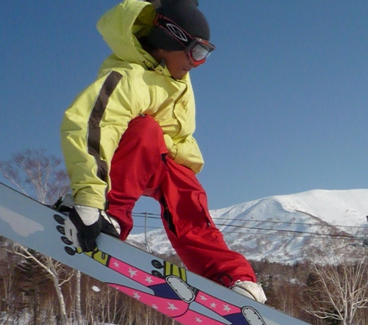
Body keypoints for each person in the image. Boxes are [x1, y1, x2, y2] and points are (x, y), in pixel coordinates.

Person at [60, 0, 266, 303]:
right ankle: (108, 214)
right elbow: (92, 127)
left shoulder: (176, 76)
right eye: (197, 52)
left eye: (205, 55)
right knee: (146, 129)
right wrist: (89, 198)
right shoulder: (129, 78)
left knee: (188, 196)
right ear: (170, 38)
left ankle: (227, 276)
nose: (198, 63)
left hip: (162, 159)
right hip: (126, 157)